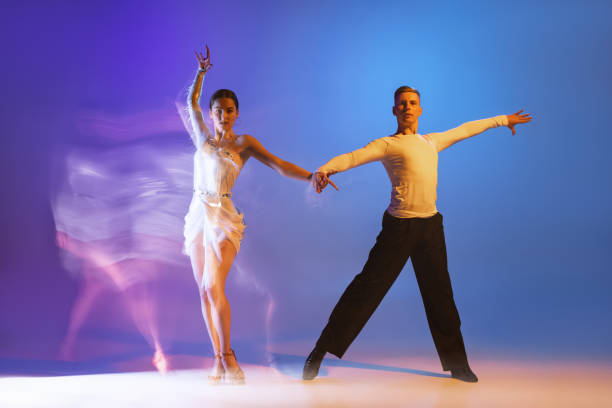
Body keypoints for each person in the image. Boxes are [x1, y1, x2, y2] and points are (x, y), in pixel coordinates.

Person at [303, 86, 532, 382]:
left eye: (413, 103)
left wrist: (503, 119)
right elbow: (353, 157)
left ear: (420, 109)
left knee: (441, 295)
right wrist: (325, 169)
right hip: (399, 228)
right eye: (402, 104)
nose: (408, 107)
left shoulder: (431, 141)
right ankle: (320, 350)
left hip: (430, 227)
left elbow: (466, 129)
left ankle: (458, 364)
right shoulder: (387, 144)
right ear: (395, 110)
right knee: (365, 290)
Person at [183, 46, 312, 385]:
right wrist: (201, 74)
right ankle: (217, 359)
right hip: (198, 214)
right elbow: (190, 104)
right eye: (218, 111)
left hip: (223, 217)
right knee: (203, 290)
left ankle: (228, 356)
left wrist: (312, 176)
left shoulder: (243, 143)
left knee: (214, 284)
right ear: (211, 115)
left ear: (236, 113)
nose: (223, 115)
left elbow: (279, 165)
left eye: (229, 110)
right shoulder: (203, 139)